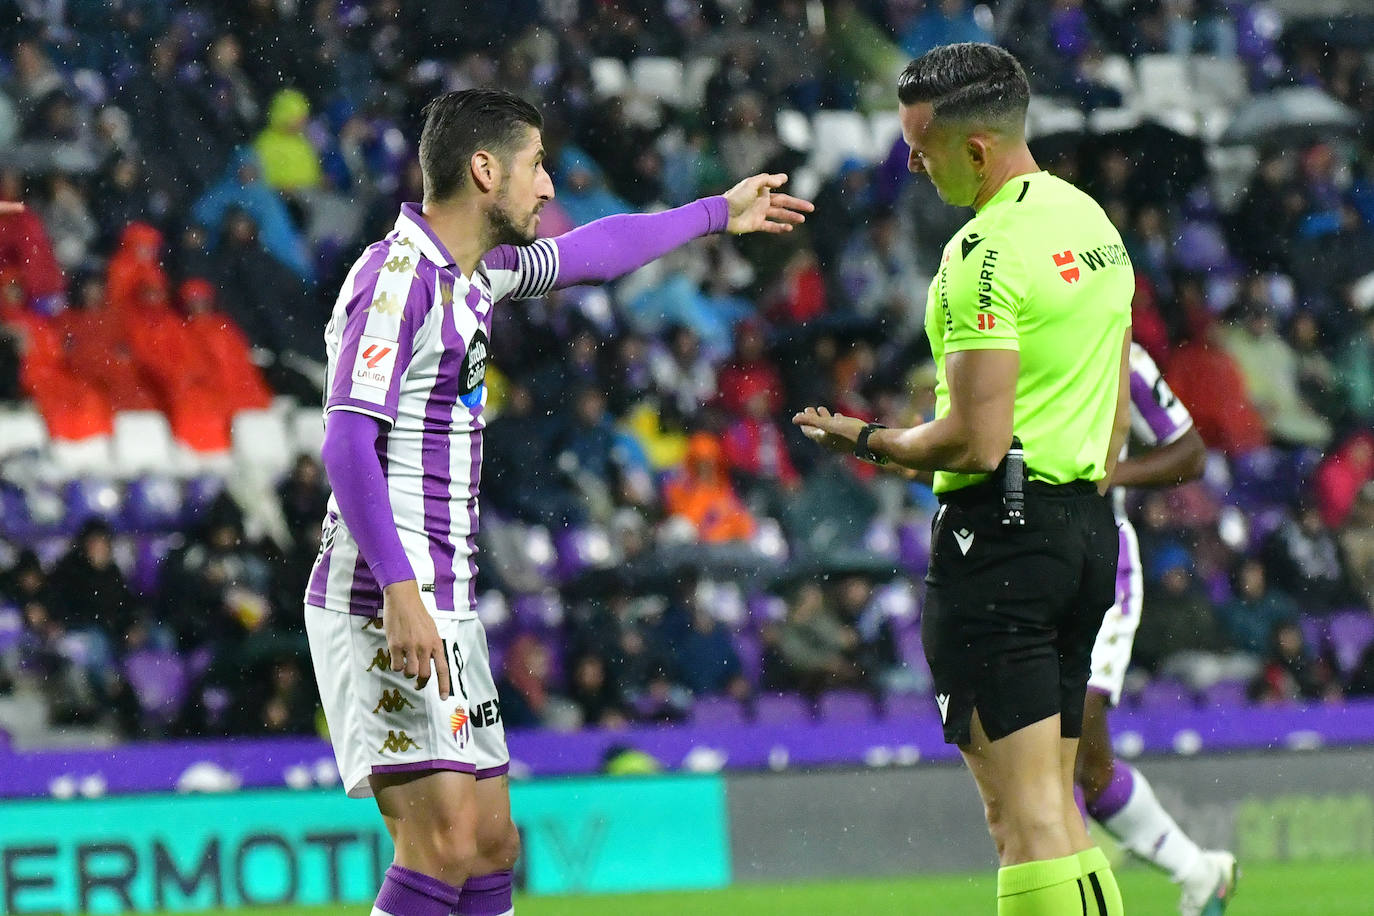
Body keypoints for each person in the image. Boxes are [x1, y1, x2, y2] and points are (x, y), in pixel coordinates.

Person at [304, 87, 811, 916]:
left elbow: (597, 253)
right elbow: (345, 443)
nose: (546, 187)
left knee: (495, 842)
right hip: (382, 597)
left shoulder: (477, 275)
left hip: (447, 598)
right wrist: (399, 590)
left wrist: (718, 211)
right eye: (535, 166)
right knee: (441, 846)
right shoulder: (400, 282)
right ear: (484, 169)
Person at [795, 44, 1132, 915]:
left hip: (1003, 545)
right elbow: (1117, 405)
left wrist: (867, 437)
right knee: (1057, 812)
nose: (911, 162)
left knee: (1019, 821)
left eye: (920, 143)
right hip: (1083, 527)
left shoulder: (980, 254)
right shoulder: (1089, 222)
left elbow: (977, 443)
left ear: (975, 149)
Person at [1077, 343, 1239, 916]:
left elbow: (1190, 453)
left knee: (1062, 749)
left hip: (1099, 566)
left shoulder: (1122, 357)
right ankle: (1199, 872)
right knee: (1086, 771)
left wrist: (1108, 475)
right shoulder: (1004, 349)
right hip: (1018, 571)